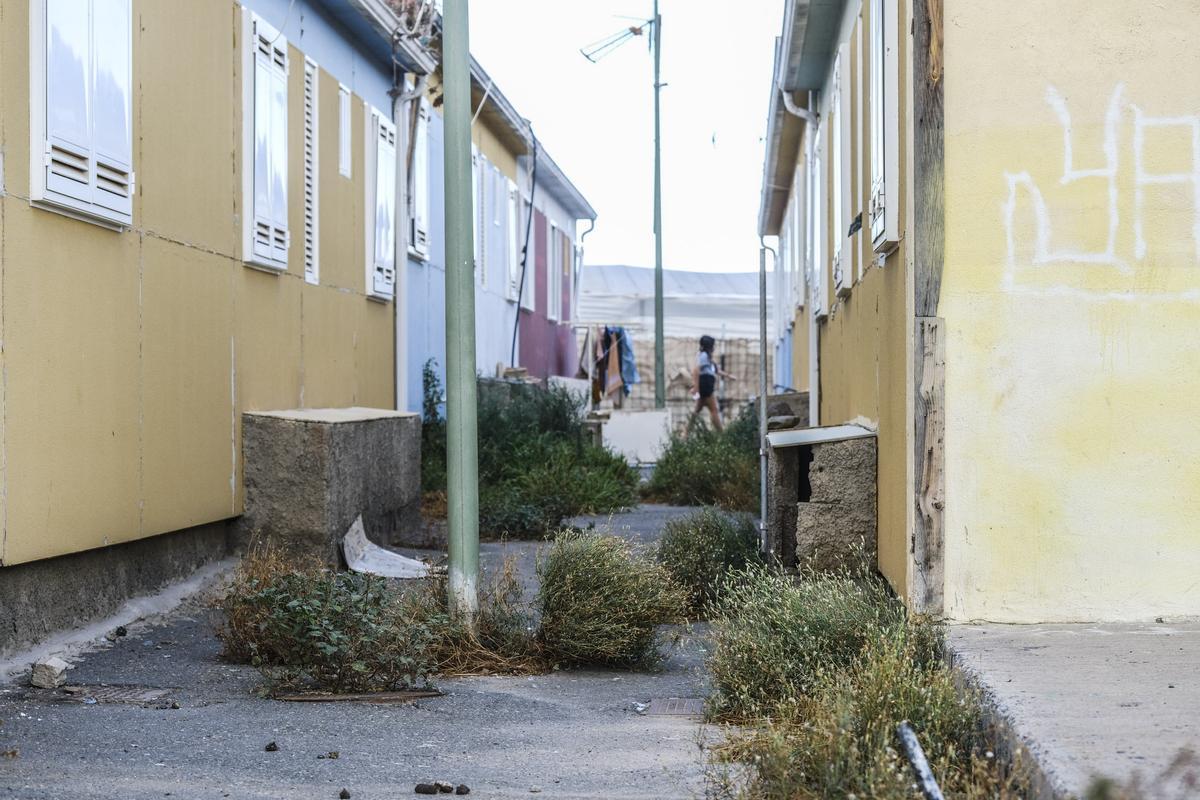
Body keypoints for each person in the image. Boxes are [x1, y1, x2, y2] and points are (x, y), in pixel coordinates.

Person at [690, 334, 736, 432]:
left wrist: (728, 376)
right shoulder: (703, 356)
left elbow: (716, 370)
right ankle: (721, 433)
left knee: (697, 410)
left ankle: (686, 433)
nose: (713, 348)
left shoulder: (707, 358)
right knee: (714, 410)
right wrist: (696, 388)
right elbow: (696, 371)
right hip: (705, 386)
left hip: (707, 386)